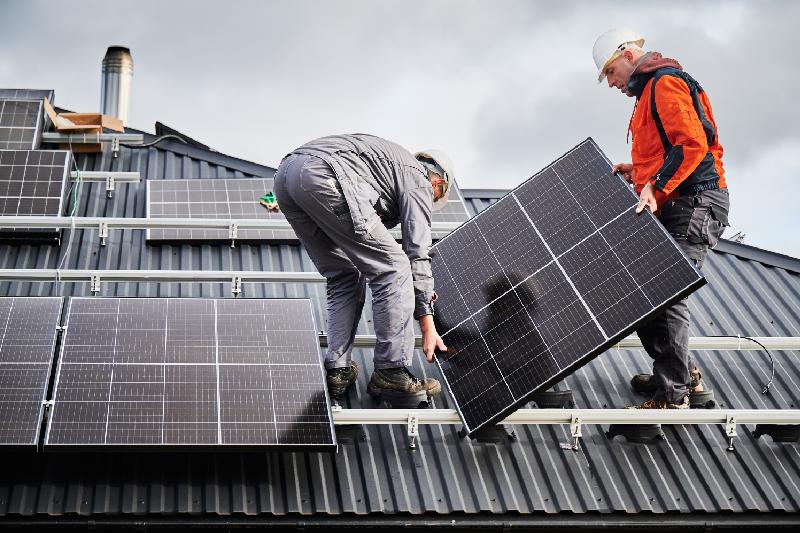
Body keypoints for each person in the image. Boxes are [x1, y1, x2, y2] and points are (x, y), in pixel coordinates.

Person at [592, 29, 731, 409]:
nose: (612, 83)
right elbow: (666, 150)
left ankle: (674, 394)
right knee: (644, 292)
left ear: (627, 54)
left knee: (667, 291)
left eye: (610, 72)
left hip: (695, 202)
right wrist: (638, 171)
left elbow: (691, 144)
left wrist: (653, 185)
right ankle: (683, 374)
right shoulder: (647, 93)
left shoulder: (665, 82)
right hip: (678, 201)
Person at [273, 134, 450, 404]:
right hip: (325, 173)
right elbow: (417, 251)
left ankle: (338, 367)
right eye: (434, 197)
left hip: (286, 177)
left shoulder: (385, 166)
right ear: (438, 181)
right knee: (394, 267)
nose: (428, 203)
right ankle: (391, 370)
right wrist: (427, 321)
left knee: (344, 273)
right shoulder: (418, 178)